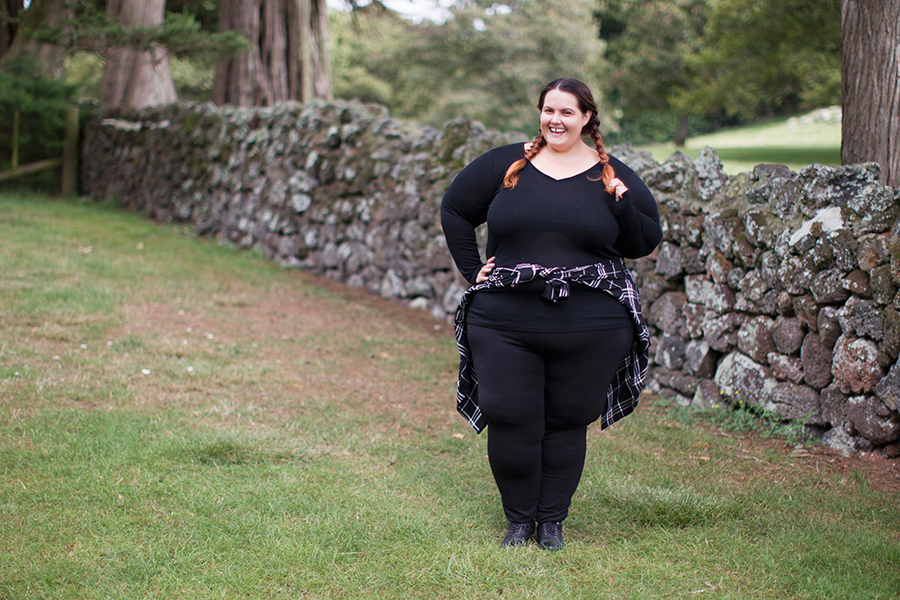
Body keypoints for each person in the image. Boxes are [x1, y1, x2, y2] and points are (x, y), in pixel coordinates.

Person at [440, 78, 662, 551]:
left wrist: (621, 207)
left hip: (592, 325)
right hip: (504, 320)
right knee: (509, 415)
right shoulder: (506, 164)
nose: (555, 120)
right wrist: (471, 270)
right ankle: (519, 521)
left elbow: (644, 242)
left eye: (567, 112)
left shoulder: (610, 173)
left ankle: (552, 521)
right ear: (540, 113)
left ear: (587, 118)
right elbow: (455, 209)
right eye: (548, 110)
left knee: (566, 419)